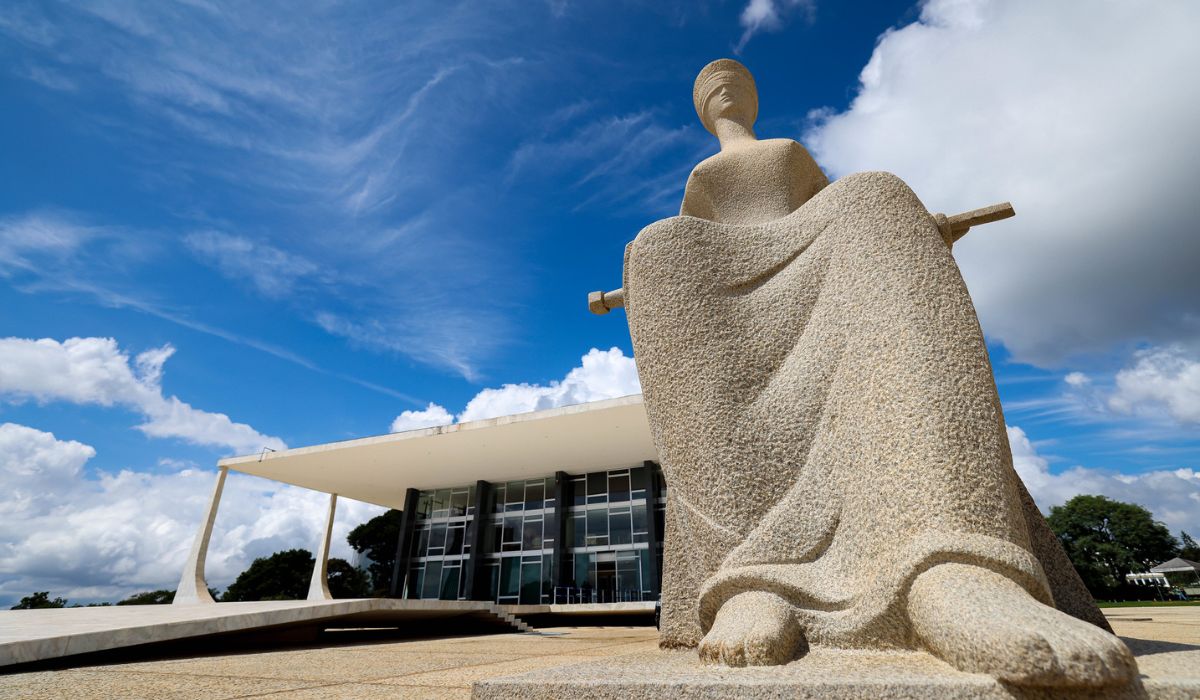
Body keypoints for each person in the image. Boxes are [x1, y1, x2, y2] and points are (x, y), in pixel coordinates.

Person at [620, 59, 1134, 687]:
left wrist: (917, 229)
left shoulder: (789, 153)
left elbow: (816, 202)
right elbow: (702, 232)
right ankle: (750, 581)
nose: (723, 92)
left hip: (815, 241)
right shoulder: (702, 177)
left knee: (874, 192)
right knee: (657, 248)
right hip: (724, 269)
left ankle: (952, 566)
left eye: (735, 85)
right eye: (710, 91)